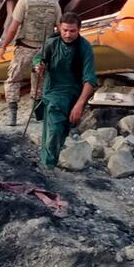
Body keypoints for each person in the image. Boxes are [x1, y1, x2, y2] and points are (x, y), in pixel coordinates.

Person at [32, 12, 97, 169]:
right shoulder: (51, 43)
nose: (68, 34)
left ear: (79, 29)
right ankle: (48, 167)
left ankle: (48, 162)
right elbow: (38, 59)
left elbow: (89, 80)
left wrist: (79, 105)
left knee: (61, 131)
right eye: (65, 30)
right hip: (53, 92)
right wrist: (38, 66)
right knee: (53, 130)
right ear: (59, 28)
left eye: (72, 31)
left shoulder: (85, 47)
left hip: (74, 95)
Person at [0, 0, 61, 126]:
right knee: (39, 81)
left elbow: (13, 28)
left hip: (25, 48)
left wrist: (4, 46)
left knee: (13, 80)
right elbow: (60, 28)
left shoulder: (23, 3)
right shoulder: (54, 4)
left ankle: (12, 117)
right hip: (44, 50)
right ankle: (37, 115)